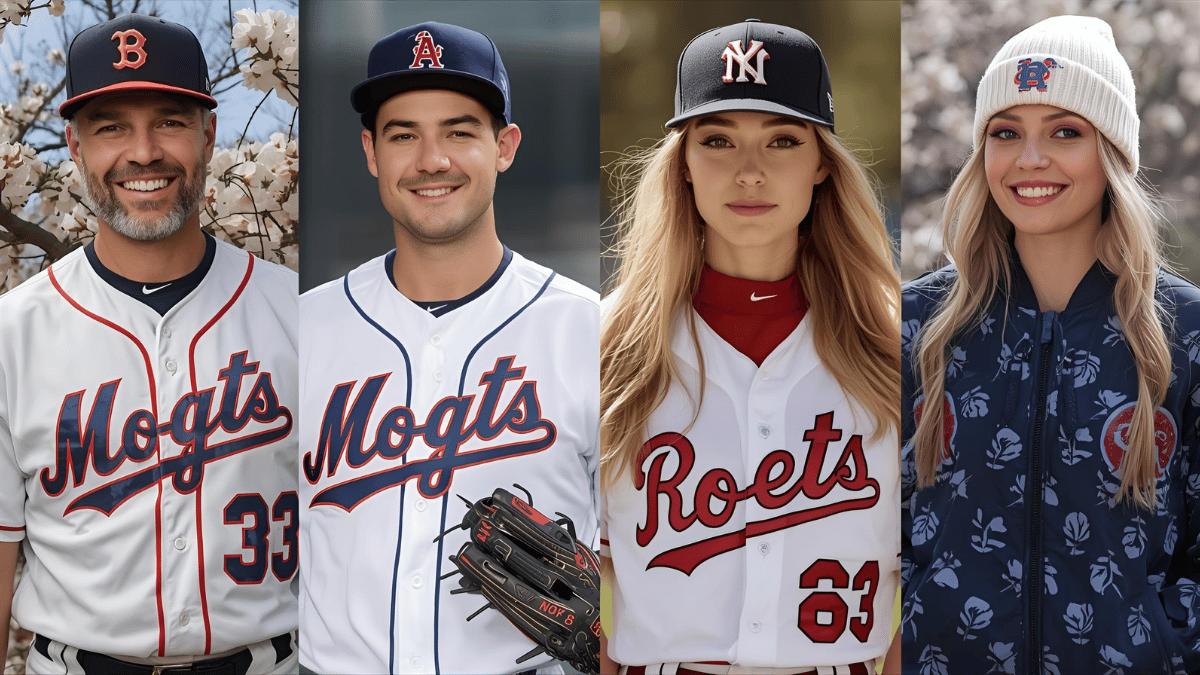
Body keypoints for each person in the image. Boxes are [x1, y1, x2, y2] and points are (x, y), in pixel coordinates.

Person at [599, 19, 901, 675]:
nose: (750, 172)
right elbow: (574, 565)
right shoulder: (606, 342)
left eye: (783, 140)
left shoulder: (898, 346)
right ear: (682, 162)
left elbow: (940, 562)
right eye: (717, 140)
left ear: (823, 162)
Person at [297, 21, 600, 675]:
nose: (431, 159)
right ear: (371, 152)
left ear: (505, 145)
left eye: (459, 132)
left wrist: (608, 621)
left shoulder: (591, 331)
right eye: (404, 134)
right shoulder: (301, 330)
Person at [0, 14, 299, 675]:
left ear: (209, 133)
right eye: (111, 127)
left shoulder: (302, 316)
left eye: (169, 119)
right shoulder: (12, 334)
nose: (143, 151)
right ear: (75, 149)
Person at [902, 15, 1200, 674]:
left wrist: (1167, 648)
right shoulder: (916, 322)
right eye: (1006, 133)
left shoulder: (1187, 329)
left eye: (1065, 132)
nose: (1029, 160)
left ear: (1113, 152)